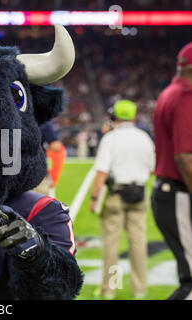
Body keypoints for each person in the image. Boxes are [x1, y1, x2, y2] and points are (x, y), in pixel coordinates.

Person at [89, 99, 155, 299]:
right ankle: (140, 289)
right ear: (134, 117)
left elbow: (101, 171)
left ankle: (110, 288)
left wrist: (94, 197)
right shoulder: (144, 137)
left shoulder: (111, 139)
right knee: (138, 243)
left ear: (114, 117)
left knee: (111, 245)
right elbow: (152, 167)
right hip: (139, 193)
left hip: (116, 195)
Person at [152, 42, 192, 300]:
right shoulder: (186, 96)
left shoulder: (171, 92)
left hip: (171, 192)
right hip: (177, 192)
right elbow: (185, 156)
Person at [33, 121, 66, 197]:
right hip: (37, 173)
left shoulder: (13, 118)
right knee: (41, 205)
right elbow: (56, 146)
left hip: (16, 174)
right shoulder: (42, 122)